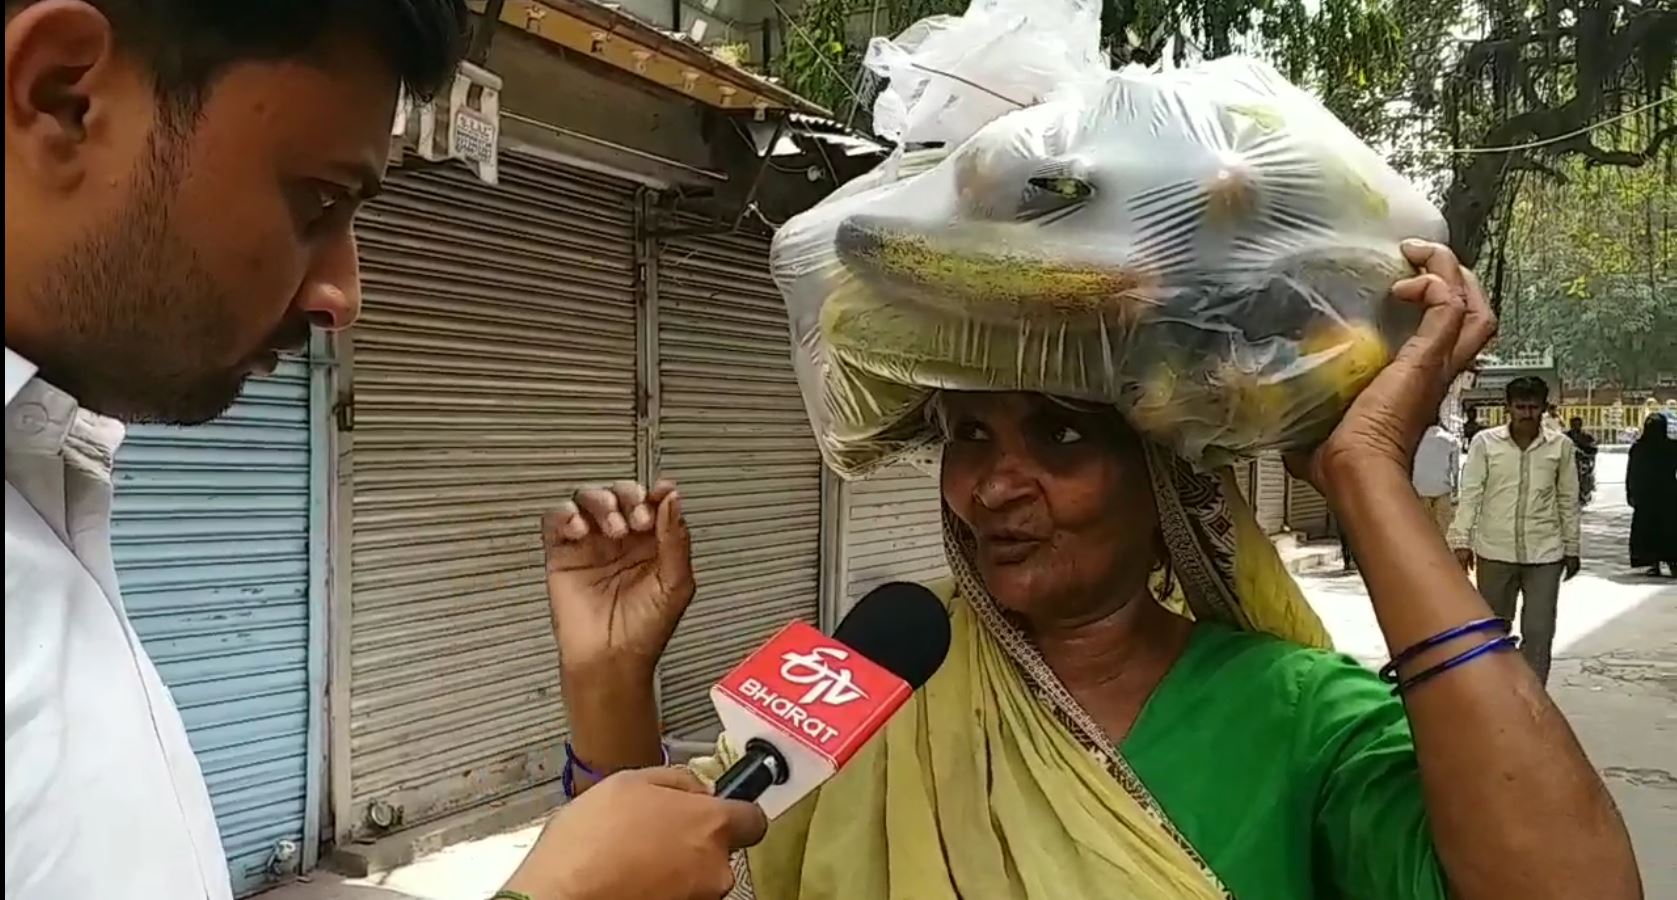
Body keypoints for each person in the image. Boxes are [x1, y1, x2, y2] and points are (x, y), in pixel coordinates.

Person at [546, 244, 1639, 899]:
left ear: (1166, 480)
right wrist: (609, 681)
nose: (995, 485)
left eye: (1060, 437)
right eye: (969, 438)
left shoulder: (1298, 714)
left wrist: (1368, 477)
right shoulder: (874, 660)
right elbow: (678, 870)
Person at [4, 3, 760, 899]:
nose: (343, 294)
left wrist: (609, 698)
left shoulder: (46, 488)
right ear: (60, 97)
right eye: (317, 200)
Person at [1447, 376, 1581, 685]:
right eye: (1520, 407)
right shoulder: (1485, 443)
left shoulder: (1560, 447)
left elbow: (1567, 499)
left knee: (1539, 631)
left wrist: (1572, 548)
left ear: (1543, 409)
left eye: (1533, 407)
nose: (1526, 414)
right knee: (1493, 629)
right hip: (1495, 550)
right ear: (1508, 407)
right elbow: (1471, 494)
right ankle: (1495, 692)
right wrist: (1460, 540)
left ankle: (1534, 698)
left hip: (1545, 553)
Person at [1627, 413, 1677, 577]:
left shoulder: (1639, 447)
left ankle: (1653, 562)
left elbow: (1631, 473)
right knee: (1668, 529)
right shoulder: (1671, 446)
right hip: (1668, 494)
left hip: (1646, 495)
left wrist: (1631, 492)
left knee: (1649, 529)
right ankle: (1670, 562)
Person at [1412, 423, 1459, 536]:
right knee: (1442, 526)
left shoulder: (1415, 441)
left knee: (1424, 527)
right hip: (1442, 488)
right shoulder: (1451, 440)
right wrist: (1455, 487)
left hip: (1420, 489)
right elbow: (1455, 468)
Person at [1565, 416, 1598, 505]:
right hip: (1567, 462)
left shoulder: (1587, 436)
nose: (1576, 426)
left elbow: (1593, 449)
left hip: (1583, 462)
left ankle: (1584, 491)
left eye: (1577, 424)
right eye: (1573, 424)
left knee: (1584, 474)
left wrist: (1585, 452)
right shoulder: (1565, 437)